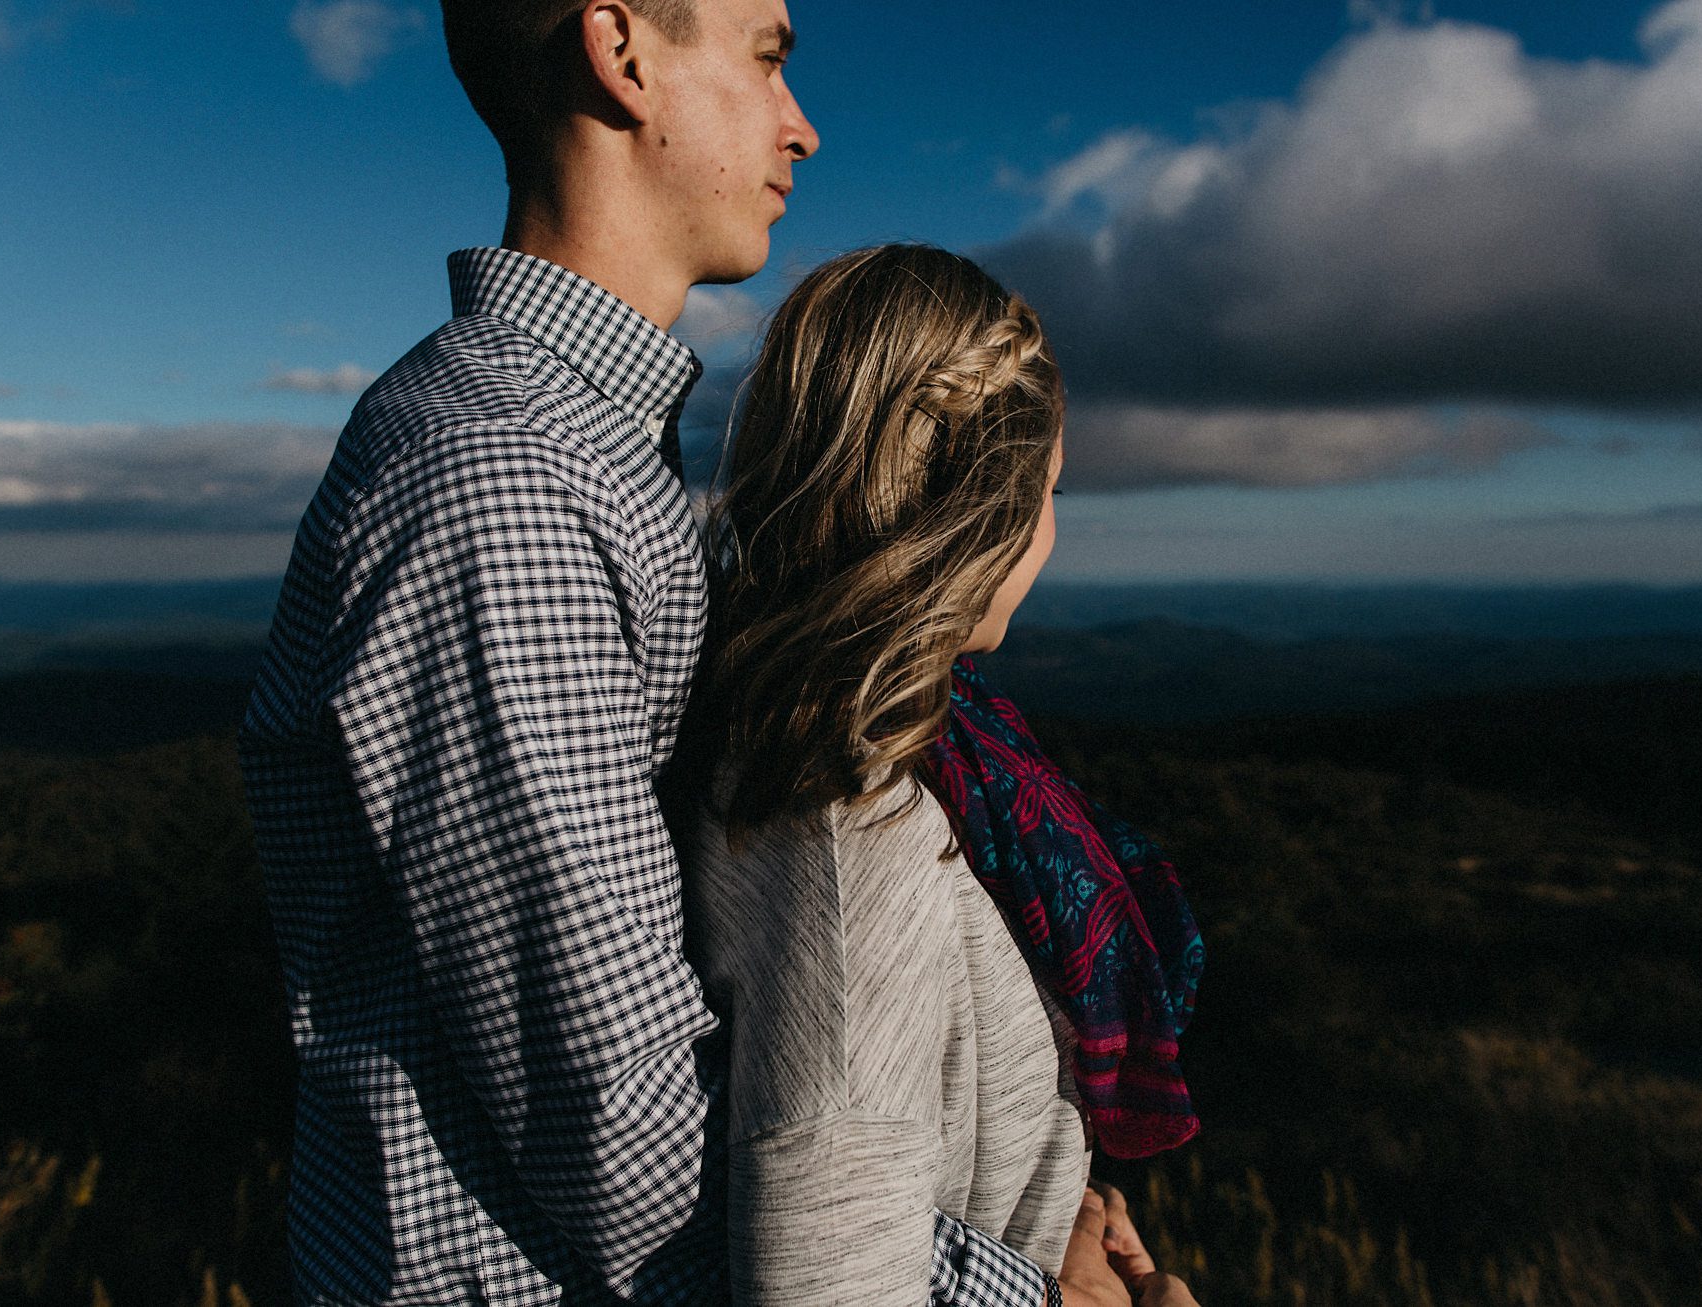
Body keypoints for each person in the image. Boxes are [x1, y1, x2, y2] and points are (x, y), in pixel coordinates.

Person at [239, 1, 1128, 1303]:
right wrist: (1026, 1284)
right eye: (768, 55)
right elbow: (619, 1131)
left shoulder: (598, 456)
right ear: (624, 53)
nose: (803, 123)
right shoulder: (506, 485)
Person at [682, 245, 1205, 1306]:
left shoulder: (928, 754)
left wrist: (1050, 1214)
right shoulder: (853, 830)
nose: (1052, 530)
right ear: (981, 507)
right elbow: (826, 1282)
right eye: (1048, 490)